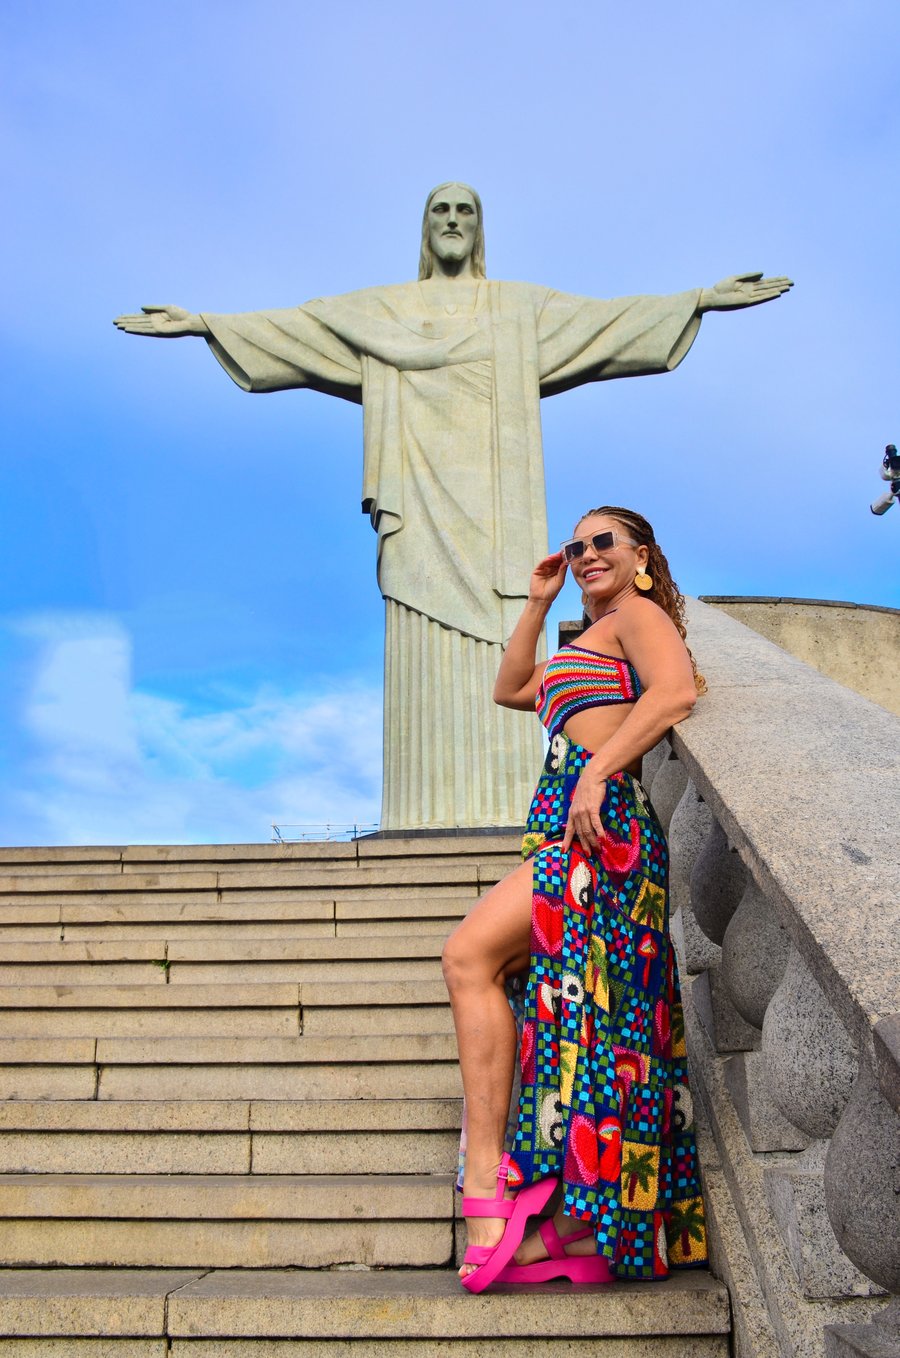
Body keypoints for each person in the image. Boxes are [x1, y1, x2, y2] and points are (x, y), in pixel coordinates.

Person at [114, 183, 791, 833]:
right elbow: (303, 328)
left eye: (466, 209)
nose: (452, 220)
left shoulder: (516, 309)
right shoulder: (381, 313)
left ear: (479, 226)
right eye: (439, 209)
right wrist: (206, 323)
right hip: (417, 502)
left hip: (500, 507)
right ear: (425, 224)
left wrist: (697, 300)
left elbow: (605, 321)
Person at [442, 505, 708, 1292]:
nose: (587, 554)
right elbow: (511, 688)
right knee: (576, 1019)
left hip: (603, 824)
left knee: (468, 956)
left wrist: (599, 771)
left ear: (642, 558)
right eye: (577, 544)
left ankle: (488, 1188)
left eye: (604, 543)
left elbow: (676, 693)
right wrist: (535, 602)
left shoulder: (637, 615)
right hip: (569, 824)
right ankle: (568, 1235)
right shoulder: (586, 633)